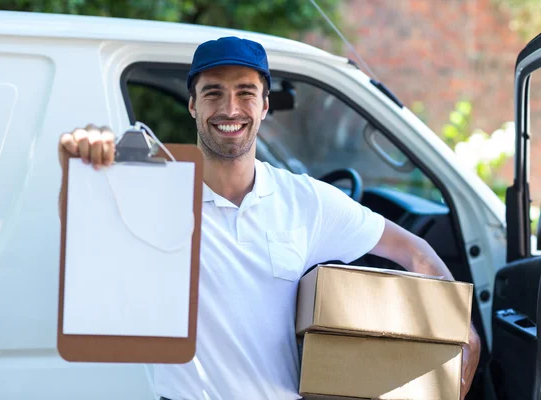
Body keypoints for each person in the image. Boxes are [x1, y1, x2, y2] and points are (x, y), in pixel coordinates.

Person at [58, 36, 481, 400]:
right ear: (192, 105)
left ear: (264, 106)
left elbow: (416, 254)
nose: (230, 108)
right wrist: (79, 162)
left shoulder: (306, 201)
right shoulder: (156, 194)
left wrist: (460, 333)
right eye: (212, 93)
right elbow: (84, 227)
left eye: (245, 93)